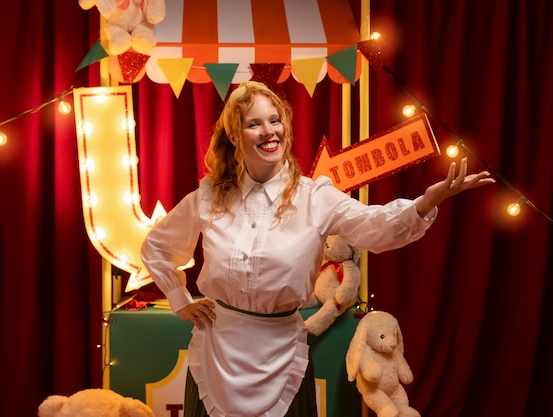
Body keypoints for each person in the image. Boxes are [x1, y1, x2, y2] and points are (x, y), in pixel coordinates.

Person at [141, 81, 495, 417]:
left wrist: (422, 204)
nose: (269, 131)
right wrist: (179, 300)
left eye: (275, 120)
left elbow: (375, 227)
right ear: (235, 136)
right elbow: (157, 247)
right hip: (216, 351)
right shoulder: (210, 196)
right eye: (254, 124)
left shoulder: (315, 198)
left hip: (281, 354)